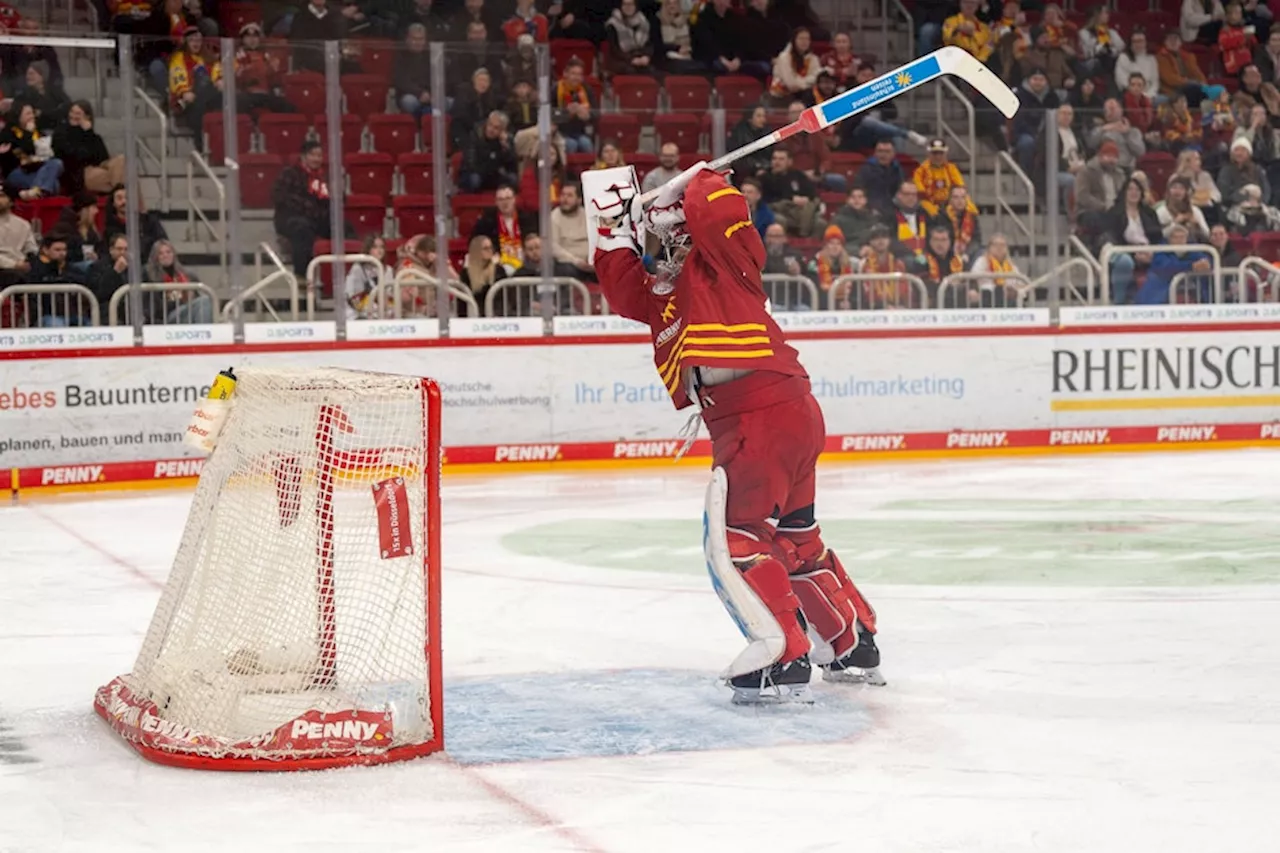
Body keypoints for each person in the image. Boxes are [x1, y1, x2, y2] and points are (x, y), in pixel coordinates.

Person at [591, 161, 883, 700]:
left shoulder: (727, 258)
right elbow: (619, 288)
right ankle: (852, 641)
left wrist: (694, 181)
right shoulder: (666, 292)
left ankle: (782, 653)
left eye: (673, 224)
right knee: (795, 537)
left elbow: (722, 208)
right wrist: (612, 226)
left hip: (757, 417)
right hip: (776, 413)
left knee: (740, 538)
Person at [273, 141, 337, 276]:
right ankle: (303, 276)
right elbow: (280, 196)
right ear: (303, 156)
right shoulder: (290, 173)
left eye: (319, 155)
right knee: (302, 228)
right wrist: (308, 206)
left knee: (343, 227)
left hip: (318, 217)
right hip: (292, 217)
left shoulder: (325, 177)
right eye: (312, 155)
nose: (316, 159)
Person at [836, 62, 929, 152]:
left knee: (892, 129)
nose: (867, 79)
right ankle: (907, 134)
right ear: (857, 77)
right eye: (863, 75)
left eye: (870, 76)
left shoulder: (879, 92)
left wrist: (879, 111)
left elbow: (893, 113)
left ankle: (900, 158)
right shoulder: (850, 93)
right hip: (856, 133)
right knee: (868, 120)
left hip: (877, 133)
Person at [1101, 176, 1163, 304]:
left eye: (1137, 190)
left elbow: (1158, 236)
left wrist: (1152, 253)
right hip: (1125, 251)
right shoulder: (1114, 212)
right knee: (1124, 261)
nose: (1134, 193)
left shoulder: (1149, 213)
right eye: (1130, 189)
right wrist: (1134, 254)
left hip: (1149, 251)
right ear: (1124, 192)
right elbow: (1113, 239)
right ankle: (1118, 302)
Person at [54, 100, 124, 195]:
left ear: (87, 117)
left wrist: (88, 133)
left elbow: (103, 158)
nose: (73, 116)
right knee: (128, 180)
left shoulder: (93, 136)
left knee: (121, 159)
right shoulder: (61, 134)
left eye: (78, 113)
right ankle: (132, 206)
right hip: (78, 174)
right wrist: (87, 135)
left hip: (98, 169)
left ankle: (119, 196)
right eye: (72, 112)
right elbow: (76, 157)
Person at [168, 27, 222, 144]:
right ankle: (201, 146)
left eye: (198, 40)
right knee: (201, 79)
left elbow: (217, 71)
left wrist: (219, 80)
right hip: (190, 100)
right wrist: (184, 91)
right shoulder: (179, 57)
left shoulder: (208, 57)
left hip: (209, 97)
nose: (196, 43)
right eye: (192, 40)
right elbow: (177, 74)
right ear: (186, 42)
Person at [0, 102, 63, 200]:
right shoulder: (8, 133)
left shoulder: (39, 133)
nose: (32, 116)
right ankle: (40, 190)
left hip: (38, 170)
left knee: (57, 163)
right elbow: (24, 150)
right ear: (18, 116)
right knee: (54, 185)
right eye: (28, 114)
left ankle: (35, 192)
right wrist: (28, 133)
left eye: (33, 113)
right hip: (17, 172)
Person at [1139, 223, 1213, 302]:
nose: (1179, 241)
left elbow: (1204, 259)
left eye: (1182, 237)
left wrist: (1206, 263)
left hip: (1192, 290)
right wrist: (1191, 266)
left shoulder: (1193, 249)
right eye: (1176, 237)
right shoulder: (1161, 251)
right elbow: (1167, 267)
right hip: (1161, 291)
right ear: (1169, 239)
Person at [471, 183, 538, 272]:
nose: (505, 202)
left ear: (514, 199)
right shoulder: (487, 220)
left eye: (508, 198)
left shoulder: (526, 218)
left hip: (526, 262)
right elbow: (474, 242)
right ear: (496, 202)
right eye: (501, 199)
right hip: (499, 264)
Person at [759, 148, 824, 238]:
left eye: (781, 159)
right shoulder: (765, 177)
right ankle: (802, 233)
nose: (777, 162)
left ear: (789, 162)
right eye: (774, 159)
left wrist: (805, 199)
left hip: (799, 210)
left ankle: (808, 246)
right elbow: (767, 198)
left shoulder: (797, 175)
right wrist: (791, 199)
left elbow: (811, 192)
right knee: (780, 220)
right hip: (779, 210)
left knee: (820, 223)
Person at [145, 239, 213, 323]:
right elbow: (155, 309)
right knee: (204, 302)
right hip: (167, 317)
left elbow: (197, 298)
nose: (165, 255)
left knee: (205, 301)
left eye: (168, 252)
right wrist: (181, 301)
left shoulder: (187, 275)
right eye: (160, 253)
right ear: (155, 257)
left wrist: (189, 297)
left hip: (188, 311)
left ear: (174, 254)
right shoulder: (150, 276)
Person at [234, 22, 294, 114]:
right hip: (246, 95)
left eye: (255, 36)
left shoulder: (266, 57)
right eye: (248, 36)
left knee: (288, 107)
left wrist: (274, 69)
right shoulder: (236, 57)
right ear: (243, 39)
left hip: (265, 94)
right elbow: (235, 81)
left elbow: (274, 81)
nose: (252, 39)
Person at [1036, 102, 1086, 206]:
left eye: (1069, 114)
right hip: (1054, 171)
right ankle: (1071, 213)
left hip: (1077, 167)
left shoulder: (1076, 133)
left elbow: (1084, 151)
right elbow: (1047, 156)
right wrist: (1068, 168)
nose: (1066, 117)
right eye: (1063, 113)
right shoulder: (1048, 132)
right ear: (1057, 115)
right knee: (1071, 180)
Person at [1014, 67, 1061, 174]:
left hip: (1047, 132)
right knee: (1027, 143)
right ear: (1029, 80)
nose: (1038, 82)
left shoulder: (1051, 96)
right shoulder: (1020, 95)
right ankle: (1026, 175)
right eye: (1035, 79)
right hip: (1025, 133)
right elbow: (1018, 120)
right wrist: (1034, 133)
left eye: (1041, 79)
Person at [1075, 140, 1128, 236]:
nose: (1111, 160)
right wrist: (1103, 206)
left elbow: (1123, 194)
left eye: (1114, 157)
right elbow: (1082, 196)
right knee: (1096, 219)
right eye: (1108, 156)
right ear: (1100, 156)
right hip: (1091, 211)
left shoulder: (1120, 175)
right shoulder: (1086, 172)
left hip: (1115, 211)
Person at [105, 183, 168, 260]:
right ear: (113, 203)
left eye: (127, 198)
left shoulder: (149, 221)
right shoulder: (109, 228)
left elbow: (162, 243)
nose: (124, 201)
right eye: (119, 198)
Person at [459, 110, 518, 193]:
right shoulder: (475, 135)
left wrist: (505, 147)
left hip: (494, 174)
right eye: (490, 125)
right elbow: (471, 163)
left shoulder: (506, 140)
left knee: (513, 179)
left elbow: (512, 166)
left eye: (496, 128)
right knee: (475, 180)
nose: (491, 129)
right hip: (476, 172)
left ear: (502, 130)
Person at [856, 223, 911, 309]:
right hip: (873, 310)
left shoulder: (898, 263)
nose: (880, 240)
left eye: (884, 237)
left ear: (889, 240)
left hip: (897, 307)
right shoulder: (864, 264)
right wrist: (883, 306)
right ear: (870, 242)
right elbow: (866, 292)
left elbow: (904, 289)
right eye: (876, 237)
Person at [52, 191, 103, 279]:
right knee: (95, 268)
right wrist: (82, 254)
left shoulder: (91, 230)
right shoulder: (64, 228)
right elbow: (61, 253)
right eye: (94, 207)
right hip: (70, 268)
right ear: (85, 209)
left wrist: (97, 255)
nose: (97, 211)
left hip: (89, 264)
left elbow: (101, 248)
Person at [1158, 29, 1214, 106]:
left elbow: (1196, 72)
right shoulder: (1161, 57)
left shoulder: (1188, 56)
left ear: (1180, 43)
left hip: (1191, 86)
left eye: (1176, 39)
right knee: (1192, 89)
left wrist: (1203, 83)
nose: (1173, 42)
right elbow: (1169, 78)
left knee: (1217, 90)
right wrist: (1188, 82)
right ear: (1165, 43)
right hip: (1172, 90)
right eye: (1170, 39)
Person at [913, 138, 968, 216]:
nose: (938, 157)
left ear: (945, 153)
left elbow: (960, 188)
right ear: (929, 153)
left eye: (941, 153)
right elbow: (921, 195)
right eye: (935, 153)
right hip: (928, 208)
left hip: (949, 206)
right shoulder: (920, 171)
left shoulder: (951, 168)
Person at [1089, 97, 1146, 171]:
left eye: (1112, 108)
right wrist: (1104, 129)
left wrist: (1127, 133)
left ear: (1121, 110)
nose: (1109, 111)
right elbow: (1091, 144)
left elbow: (1140, 152)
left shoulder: (1133, 131)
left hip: (1126, 168)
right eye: (1106, 109)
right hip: (1104, 167)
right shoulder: (1100, 130)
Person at [550, 181, 592, 280]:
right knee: (566, 270)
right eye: (563, 195)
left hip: (590, 261)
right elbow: (554, 248)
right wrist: (576, 261)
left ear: (579, 200)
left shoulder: (588, 215)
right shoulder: (554, 216)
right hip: (569, 263)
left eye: (569, 195)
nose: (565, 199)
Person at [856, 140, 907, 221]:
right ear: (875, 153)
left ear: (893, 154)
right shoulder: (866, 170)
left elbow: (901, 191)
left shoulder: (898, 170)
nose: (883, 155)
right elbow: (859, 192)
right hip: (871, 211)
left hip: (893, 211)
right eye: (880, 151)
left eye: (887, 151)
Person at [769, 27, 822, 104]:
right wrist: (808, 82)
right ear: (794, 40)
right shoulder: (784, 57)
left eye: (807, 39)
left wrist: (799, 82)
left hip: (804, 96)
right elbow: (791, 84)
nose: (804, 42)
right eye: (801, 38)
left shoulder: (814, 59)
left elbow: (817, 79)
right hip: (781, 96)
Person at [451, 68, 500, 150]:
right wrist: (479, 127)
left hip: (482, 132)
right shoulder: (463, 94)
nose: (483, 84)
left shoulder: (489, 98)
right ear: (474, 81)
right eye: (480, 80)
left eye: (486, 81)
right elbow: (461, 116)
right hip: (463, 131)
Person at [807, 225, 855, 309]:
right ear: (825, 245)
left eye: (838, 243)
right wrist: (836, 305)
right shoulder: (814, 264)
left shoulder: (848, 263)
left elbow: (855, 290)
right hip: (822, 307)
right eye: (831, 243)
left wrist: (851, 302)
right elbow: (816, 291)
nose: (835, 247)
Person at [554, 58, 594, 154]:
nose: (576, 77)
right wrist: (566, 113)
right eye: (573, 74)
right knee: (571, 144)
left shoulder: (586, 90)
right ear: (565, 74)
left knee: (586, 143)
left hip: (581, 132)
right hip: (560, 132)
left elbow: (596, 112)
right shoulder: (555, 89)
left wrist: (587, 115)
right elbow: (551, 114)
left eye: (579, 74)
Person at [1021, 24, 1077, 93]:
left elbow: (1068, 70)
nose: (1046, 40)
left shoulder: (1056, 54)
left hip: (1058, 89)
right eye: (1042, 38)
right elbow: (1026, 76)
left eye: (1047, 36)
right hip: (1037, 90)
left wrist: (1069, 79)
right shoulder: (1028, 55)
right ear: (1035, 40)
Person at [459, 234, 507, 315]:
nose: (490, 251)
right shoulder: (466, 274)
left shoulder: (498, 270)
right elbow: (462, 303)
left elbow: (502, 298)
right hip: (473, 317)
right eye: (485, 248)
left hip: (495, 316)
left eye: (491, 247)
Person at [394, 24, 433, 120]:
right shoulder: (400, 56)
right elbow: (401, 81)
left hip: (431, 95)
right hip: (410, 94)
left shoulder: (431, 55)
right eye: (414, 39)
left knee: (449, 102)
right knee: (409, 102)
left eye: (421, 39)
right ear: (407, 40)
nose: (418, 42)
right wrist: (419, 93)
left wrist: (432, 94)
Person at [920, 223, 966, 305]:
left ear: (950, 242)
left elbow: (967, 284)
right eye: (936, 240)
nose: (940, 244)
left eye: (944, 240)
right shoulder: (921, 260)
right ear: (929, 241)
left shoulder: (958, 261)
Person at [344, 233, 387, 320]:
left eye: (382, 247)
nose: (379, 250)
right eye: (375, 247)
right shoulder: (357, 269)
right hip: (357, 315)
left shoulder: (388, 270)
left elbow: (391, 296)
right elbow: (354, 298)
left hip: (382, 313)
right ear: (367, 249)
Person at [604, 0, 653, 76]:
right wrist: (631, 59)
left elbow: (648, 44)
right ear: (620, 6)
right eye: (625, 4)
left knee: (650, 71)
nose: (628, 7)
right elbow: (615, 49)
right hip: (619, 59)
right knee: (631, 71)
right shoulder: (613, 24)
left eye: (631, 4)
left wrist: (646, 56)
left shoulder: (643, 22)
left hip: (639, 56)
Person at [1219, 135, 1272, 204]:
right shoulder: (1226, 171)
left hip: (1258, 205)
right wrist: (1244, 195)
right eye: (1236, 150)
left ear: (1249, 154)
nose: (1239, 153)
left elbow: (1266, 190)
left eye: (1243, 150)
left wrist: (1260, 202)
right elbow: (1225, 194)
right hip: (1235, 206)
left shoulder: (1257, 170)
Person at [19, 61, 70, 131]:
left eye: (32, 74)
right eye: (27, 74)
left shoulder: (54, 90)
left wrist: (43, 113)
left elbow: (67, 105)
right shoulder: (24, 94)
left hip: (56, 128)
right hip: (36, 130)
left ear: (42, 76)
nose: (28, 76)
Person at [890, 181, 929, 270]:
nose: (911, 197)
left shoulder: (924, 213)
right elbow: (890, 241)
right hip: (901, 257)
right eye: (907, 194)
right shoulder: (889, 215)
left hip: (924, 256)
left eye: (914, 194)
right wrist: (914, 254)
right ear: (899, 195)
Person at [831, 185, 881, 254]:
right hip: (847, 256)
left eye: (860, 197)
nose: (856, 200)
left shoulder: (874, 218)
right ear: (847, 200)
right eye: (853, 197)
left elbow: (881, 240)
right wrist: (858, 251)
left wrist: (871, 248)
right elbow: (832, 244)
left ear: (865, 200)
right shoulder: (838, 220)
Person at [935, 186, 982, 259]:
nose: (960, 200)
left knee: (981, 253)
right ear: (950, 199)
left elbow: (976, 240)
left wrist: (967, 254)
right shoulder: (941, 217)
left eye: (963, 197)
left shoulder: (972, 217)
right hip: (947, 255)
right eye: (956, 197)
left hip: (967, 255)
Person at [655, 0, 701, 74]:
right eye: (669, 4)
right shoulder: (657, 21)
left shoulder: (687, 20)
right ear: (664, 5)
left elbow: (695, 41)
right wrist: (677, 48)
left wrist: (688, 49)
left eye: (675, 3)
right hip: (666, 57)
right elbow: (657, 45)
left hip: (687, 54)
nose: (672, 6)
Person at [87, 233, 130, 311]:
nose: (123, 252)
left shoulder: (134, 267)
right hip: (106, 310)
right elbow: (99, 294)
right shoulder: (97, 267)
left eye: (126, 249)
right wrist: (114, 272)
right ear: (111, 250)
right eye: (119, 249)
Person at [1078, 7, 1124, 79]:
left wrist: (1107, 46)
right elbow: (1093, 49)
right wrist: (1108, 44)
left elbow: (1121, 46)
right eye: (1105, 13)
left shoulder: (1111, 32)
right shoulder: (1084, 32)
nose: (1108, 15)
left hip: (1111, 60)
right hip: (1093, 62)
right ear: (1097, 15)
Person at [0, 193, 34, 289]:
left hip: (21, 265)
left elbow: (31, 247)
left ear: (11, 201)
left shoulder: (23, 224)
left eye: (1, 196)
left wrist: (31, 260)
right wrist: (14, 264)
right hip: (4, 268)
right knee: (17, 277)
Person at [1115, 29, 1160, 100]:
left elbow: (1155, 83)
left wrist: (1150, 95)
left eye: (1141, 41)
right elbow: (1122, 82)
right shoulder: (1123, 58)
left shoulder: (1151, 59)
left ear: (1145, 42)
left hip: (1150, 95)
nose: (1138, 44)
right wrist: (1140, 95)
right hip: (1131, 95)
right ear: (1130, 44)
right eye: (1135, 42)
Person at [1219, 1, 1259, 76]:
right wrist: (1243, 38)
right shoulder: (1225, 30)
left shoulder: (1243, 29)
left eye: (1240, 13)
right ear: (1229, 15)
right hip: (1234, 66)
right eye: (1237, 13)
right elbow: (1225, 45)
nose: (1239, 15)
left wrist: (1250, 37)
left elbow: (1254, 44)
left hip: (1247, 63)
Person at [1122, 74, 1160, 144]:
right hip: (1129, 135)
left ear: (1144, 87)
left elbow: (1151, 121)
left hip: (1146, 133)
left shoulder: (1146, 101)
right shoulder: (1123, 101)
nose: (1136, 88)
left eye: (1139, 85)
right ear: (1129, 87)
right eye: (1133, 85)